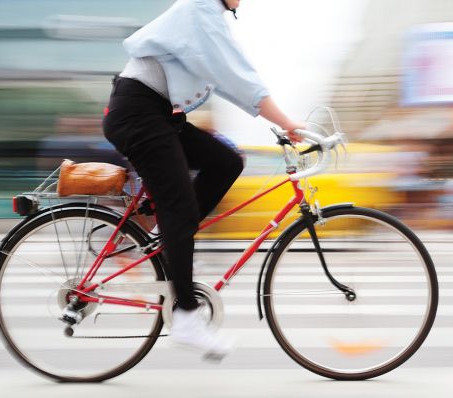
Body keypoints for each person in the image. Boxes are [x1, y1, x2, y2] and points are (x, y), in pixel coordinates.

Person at [102, 0, 304, 359]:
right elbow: (235, 73)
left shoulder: (209, 17)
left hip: (158, 115)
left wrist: (275, 121)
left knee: (226, 162)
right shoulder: (199, 8)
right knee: (179, 209)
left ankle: (167, 238)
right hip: (139, 113)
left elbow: (226, 76)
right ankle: (186, 317)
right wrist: (287, 122)